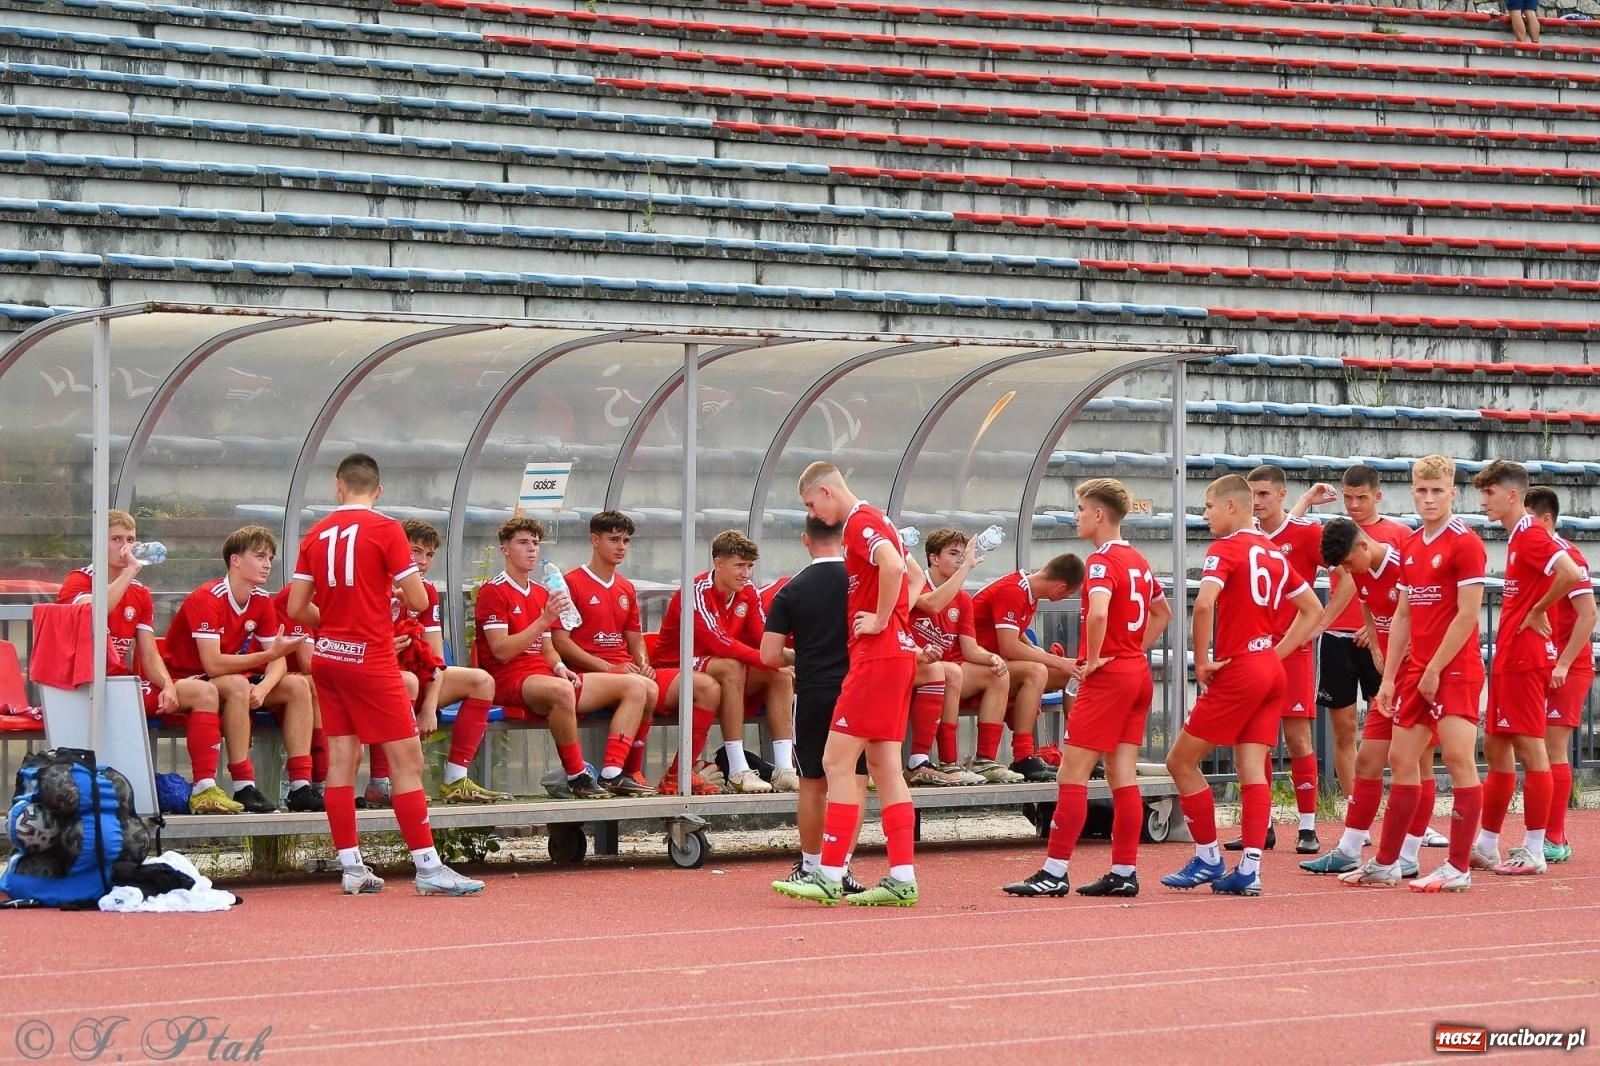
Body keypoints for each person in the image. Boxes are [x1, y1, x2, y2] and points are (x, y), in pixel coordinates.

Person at [286, 453, 483, 896]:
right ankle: (429, 869)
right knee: (406, 762)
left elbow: (296, 608)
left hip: (329, 656)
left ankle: (351, 867)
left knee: (341, 760)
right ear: (378, 491)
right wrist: (384, 597)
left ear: (338, 486)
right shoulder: (386, 529)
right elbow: (416, 600)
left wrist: (335, 626)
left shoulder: (315, 534)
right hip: (371, 659)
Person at [1005, 478, 1172, 898]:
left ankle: (1055, 870)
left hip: (1110, 677)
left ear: (1099, 514)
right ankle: (1123, 870)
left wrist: (1095, 656)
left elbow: (1098, 613)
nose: (1076, 516)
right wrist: (1133, 647)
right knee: (1122, 775)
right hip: (1135, 672)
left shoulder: (1101, 562)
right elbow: (1162, 611)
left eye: (1080, 509)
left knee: (1072, 774)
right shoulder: (1138, 560)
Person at [1160, 475, 1321, 897]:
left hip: (1239, 669)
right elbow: (1313, 608)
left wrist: (1202, 660)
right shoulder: (1272, 551)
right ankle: (1249, 867)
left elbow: (1205, 603)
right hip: (1269, 668)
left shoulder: (1225, 548)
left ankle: (1208, 855)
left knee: (1180, 762)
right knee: (1254, 769)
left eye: (1209, 506)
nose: (1206, 515)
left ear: (1231, 506)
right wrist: (1276, 652)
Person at [774, 462, 922, 906]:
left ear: (825, 491)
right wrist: (895, 619)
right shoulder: (882, 519)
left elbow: (895, 567)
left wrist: (880, 619)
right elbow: (914, 577)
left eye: (810, 504)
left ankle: (829, 874)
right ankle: (901, 876)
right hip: (897, 656)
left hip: (876, 659)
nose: (814, 514)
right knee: (885, 769)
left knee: (835, 762)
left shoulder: (858, 522)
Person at [1365, 455, 1488, 893]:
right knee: (1401, 761)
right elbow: (1401, 617)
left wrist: (1435, 667)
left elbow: (1468, 615)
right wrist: (1389, 677)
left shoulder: (1466, 542)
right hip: (1416, 672)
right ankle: (1386, 863)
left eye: (1438, 490)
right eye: (1422, 490)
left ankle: (1458, 866)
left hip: (1454, 670)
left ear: (1453, 492)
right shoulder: (1411, 545)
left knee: (1457, 761)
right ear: (1412, 491)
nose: (1429, 498)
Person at [58, 511, 230, 812]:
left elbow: (148, 654)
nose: (125, 547)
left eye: (131, 539)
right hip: (84, 687)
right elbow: (94, 614)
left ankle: (205, 787)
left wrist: (167, 686)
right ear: (100, 543)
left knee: (205, 692)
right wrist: (129, 573)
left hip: (122, 687)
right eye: (116, 540)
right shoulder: (79, 580)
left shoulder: (140, 594)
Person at [552, 511, 727, 798]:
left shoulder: (625, 587)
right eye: (614, 539)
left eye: (626, 540)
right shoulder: (572, 583)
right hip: (590, 674)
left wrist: (643, 663)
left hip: (626, 671)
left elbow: (635, 638)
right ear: (594, 540)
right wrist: (609, 667)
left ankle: (676, 774)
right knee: (640, 686)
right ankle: (616, 772)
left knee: (706, 687)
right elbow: (562, 642)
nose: (621, 546)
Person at [474, 516, 651, 798]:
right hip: (511, 679)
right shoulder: (494, 590)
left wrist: (558, 666)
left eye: (535, 543)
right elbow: (502, 651)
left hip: (546, 677)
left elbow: (547, 648)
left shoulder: (543, 591)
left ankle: (612, 773)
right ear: (504, 549)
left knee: (635, 685)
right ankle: (576, 774)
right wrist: (544, 621)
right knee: (561, 691)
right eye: (522, 543)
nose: (531, 549)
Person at [1302, 518, 1440, 878]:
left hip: (1417, 675)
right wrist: (1379, 647)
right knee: (1367, 761)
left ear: (1363, 546)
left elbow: (1433, 612)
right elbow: (1366, 602)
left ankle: (1409, 853)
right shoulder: (1362, 572)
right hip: (1391, 676)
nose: (1348, 572)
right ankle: (1350, 847)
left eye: (1348, 563)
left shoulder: (1405, 565)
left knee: (1416, 763)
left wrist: (1416, 653)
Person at [1470, 461, 1582, 877]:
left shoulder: (1532, 535)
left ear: (1512, 495)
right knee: (1496, 746)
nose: (1483, 501)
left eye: (1490, 493)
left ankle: (1536, 847)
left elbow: (1570, 572)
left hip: (1527, 657)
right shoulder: (1517, 536)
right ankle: (1487, 843)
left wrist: (1537, 609)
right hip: (1510, 654)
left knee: (1532, 748)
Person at [163, 525, 318, 814]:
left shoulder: (260, 599)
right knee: (237, 684)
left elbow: (278, 658)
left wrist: (264, 687)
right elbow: (212, 663)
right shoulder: (208, 597)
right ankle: (243, 785)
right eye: (260, 556)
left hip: (232, 679)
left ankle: (300, 787)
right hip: (188, 679)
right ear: (235, 560)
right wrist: (267, 658)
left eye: (270, 558)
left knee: (298, 686)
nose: (268, 564)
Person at [1290, 465, 1413, 804]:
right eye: (1347, 497)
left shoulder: (1398, 533)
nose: (1354, 504)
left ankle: (1400, 805)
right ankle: (1353, 803)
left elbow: (1402, 593)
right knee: (1344, 731)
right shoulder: (1335, 532)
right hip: (1338, 640)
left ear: (1378, 496)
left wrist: (1374, 630)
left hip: (1382, 642)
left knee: (1393, 727)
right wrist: (1305, 501)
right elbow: (1283, 533)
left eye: (1361, 497)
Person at [760, 516, 868, 894]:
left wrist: (801, 655)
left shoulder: (790, 590)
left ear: (806, 540)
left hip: (814, 692)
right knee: (854, 781)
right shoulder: (859, 584)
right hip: (856, 690)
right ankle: (844, 867)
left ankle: (811, 865)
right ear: (842, 539)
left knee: (812, 783)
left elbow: (769, 655)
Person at [652, 530, 799, 794]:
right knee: (733, 665)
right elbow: (721, 642)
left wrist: (789, 659)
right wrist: (773, 659)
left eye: (750, 566)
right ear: (718, 564)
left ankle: (783, 768)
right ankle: (738, 769)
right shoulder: (697, 591)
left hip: (719, 669)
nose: (746, 573)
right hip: (675, 668)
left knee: (780, 674)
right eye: (739, 566)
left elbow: (761, 635)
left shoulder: (748, 591)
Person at [1236, 465, 1324, 855]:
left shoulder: (1305, 534)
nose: (1257, 502)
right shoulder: (1245, 538)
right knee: (1256, 740)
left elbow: (1349, 576)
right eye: (1252, 495)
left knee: (1297, 737)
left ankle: (1308, 826)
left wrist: (1323, 622)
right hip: (1252, 653)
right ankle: (1263, 825)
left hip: (1292, 651)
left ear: (1282, 495)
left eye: (1264, 494)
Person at [389, 519, 507, 805]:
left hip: (415, 684)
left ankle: (455, 778)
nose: (422, 561)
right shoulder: (372, 584)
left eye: (429, 555)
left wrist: (430, 707)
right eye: (414, 551)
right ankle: (389, 784)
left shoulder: (427, 593)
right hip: (379, 683)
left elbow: (436, 661)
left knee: (482, 680)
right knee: (406, 682)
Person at [1525, 486, 1595, 864]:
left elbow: (1589, 615)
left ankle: (1555, 835)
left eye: (1528, 520)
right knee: (1530, 748)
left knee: (1553, 749)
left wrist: (1565, 663)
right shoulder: (1535, 553)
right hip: (1539, 663)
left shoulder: (1570, 557)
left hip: (1567, 664)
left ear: (1546, 520)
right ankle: (1537, 833)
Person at [971, 555, 1085, 782]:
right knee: (1037, 671)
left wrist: (1042, 653)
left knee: (1074, 675)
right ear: (1061, 586)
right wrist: (1057, 661)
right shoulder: (1013, 590)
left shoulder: (1027, 592)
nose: (1067, 598)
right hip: (975, 664)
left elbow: (1015, 633)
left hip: (997, 664)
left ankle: (1079, 753)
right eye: (1069, 594)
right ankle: (1023, 755)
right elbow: (1009, 647)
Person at [910, 529, 1010, 785]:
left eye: (961, 555)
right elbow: (932, 603)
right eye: (953, 554)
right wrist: (966, 567)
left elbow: (970, 648)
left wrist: (991, 658)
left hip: (940, 668)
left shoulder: (963, 599)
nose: (959, 560)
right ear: (933, 558)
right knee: (951, 672)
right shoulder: (914, 583)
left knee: (998, 673)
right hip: (909, 665)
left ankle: (986, 760)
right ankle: (948, 762)